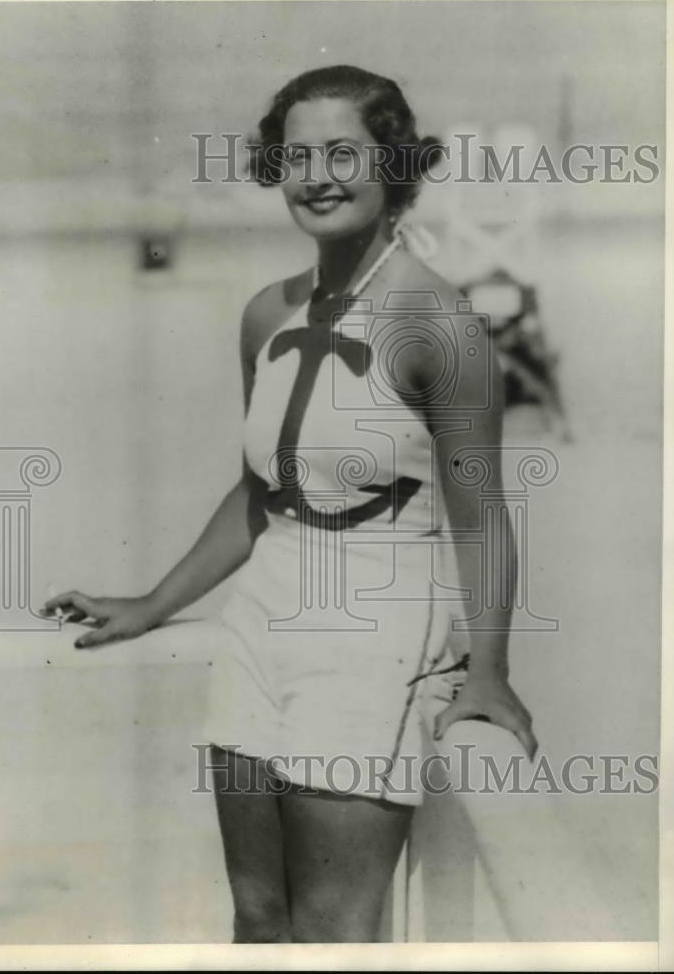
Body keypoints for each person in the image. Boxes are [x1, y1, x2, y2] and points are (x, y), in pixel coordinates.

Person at [43, 65, 537, 943]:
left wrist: (490, 671)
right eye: (296, 157)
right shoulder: (265, 313)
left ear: (394, 163)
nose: (317, 176)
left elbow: (481, 514)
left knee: (332, 932)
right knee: (259, 917)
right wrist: (150, 604)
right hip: (260, 621)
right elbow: (260, 491)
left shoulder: (438, 321)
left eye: (343, 152)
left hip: (374, 637)